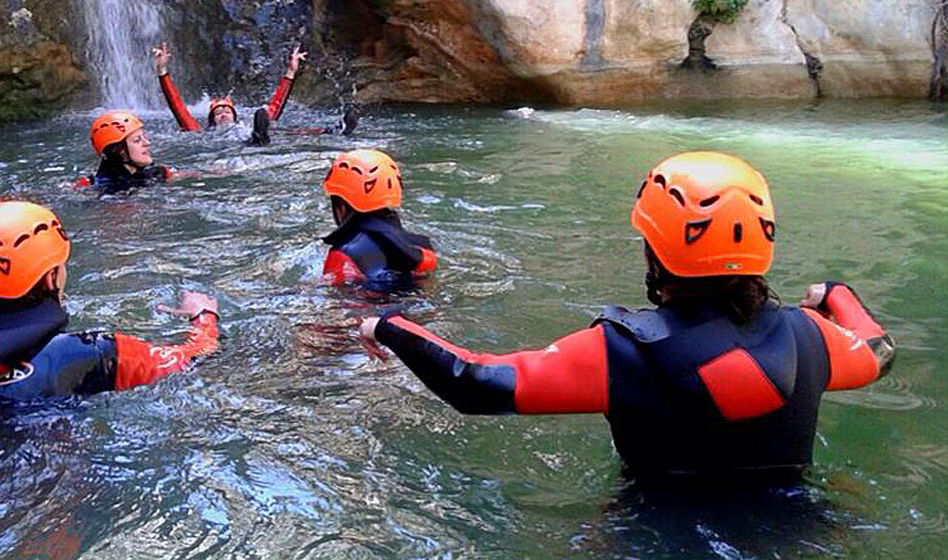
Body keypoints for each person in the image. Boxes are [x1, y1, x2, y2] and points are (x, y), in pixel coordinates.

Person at [359, 151, 895, 477]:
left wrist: (388, 325)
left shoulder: (621, 350)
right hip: (798, 529)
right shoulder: (813, 337)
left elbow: (474, 383)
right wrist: (837, 293)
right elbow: (878, 350)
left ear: (655, 253)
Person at [0, 200, 219, 398]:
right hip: (49, 497)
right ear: (51, 278)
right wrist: (202, 315)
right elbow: (194, 360)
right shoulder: (93, 351)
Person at [322, 149, 437, 289]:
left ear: (341, 205)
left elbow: (335, 298)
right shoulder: (416, 246)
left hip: (371, 307)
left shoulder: (344, 252)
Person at [152, 42, 305, 145]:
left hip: (249, 138)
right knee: (259, 132)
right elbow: (177, 107)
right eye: (218, 113)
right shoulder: (201, 134)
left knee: (265, 117)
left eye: (227, 111)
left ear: (234, 116)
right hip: (235, 149)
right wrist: (161, 71)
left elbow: (275, 106)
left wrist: (290, 72)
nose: (223, 115)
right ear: (212, 120)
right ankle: (259, 139)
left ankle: (260, 136)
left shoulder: (242, 126)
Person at [76, 111, 177, 195]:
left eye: (144, 137)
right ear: (119, 151)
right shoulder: (98, 186)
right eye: (137, 140)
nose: (147, 143)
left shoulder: (157, 173)